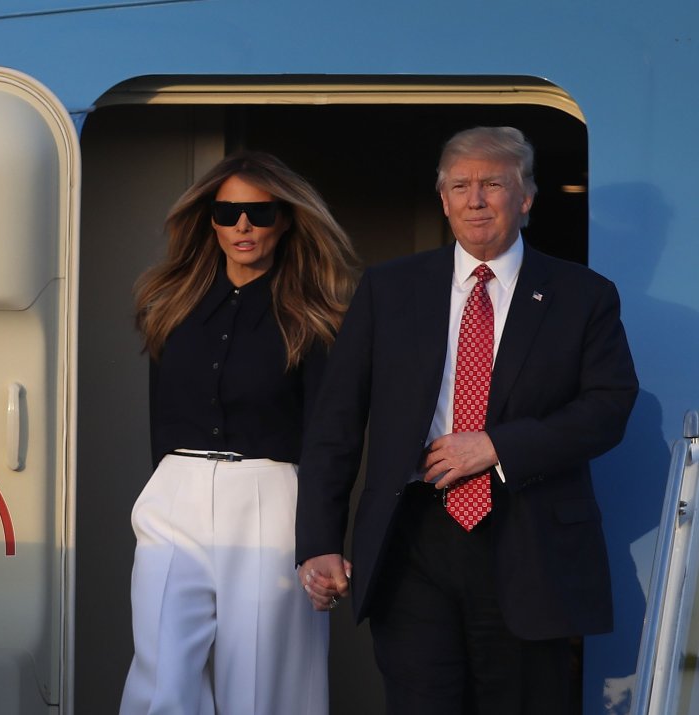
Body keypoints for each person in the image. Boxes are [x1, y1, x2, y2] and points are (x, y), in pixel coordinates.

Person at [295, 126, 638, 714]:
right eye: (461, 186)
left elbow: (608, 408)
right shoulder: (388, 288)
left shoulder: (583, 294)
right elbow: (335, 422)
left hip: (529, 542)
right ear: (443, 199)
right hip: (413, 541)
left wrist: (497, 446)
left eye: (493, 184)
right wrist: (318, 542)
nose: (475, 199)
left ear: (526, 197)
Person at [120, 150, 357, 715]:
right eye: (227, 213)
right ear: (210, 220)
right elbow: (163, 419)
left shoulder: (316, 318)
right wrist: (164, 487)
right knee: (160, 678)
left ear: (287, 218)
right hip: (174, 492)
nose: (242, 225)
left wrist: (321, 539)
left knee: (265, 686)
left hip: (269, 497)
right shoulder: (169, 304)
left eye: (258, 212)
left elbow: (331, 436)